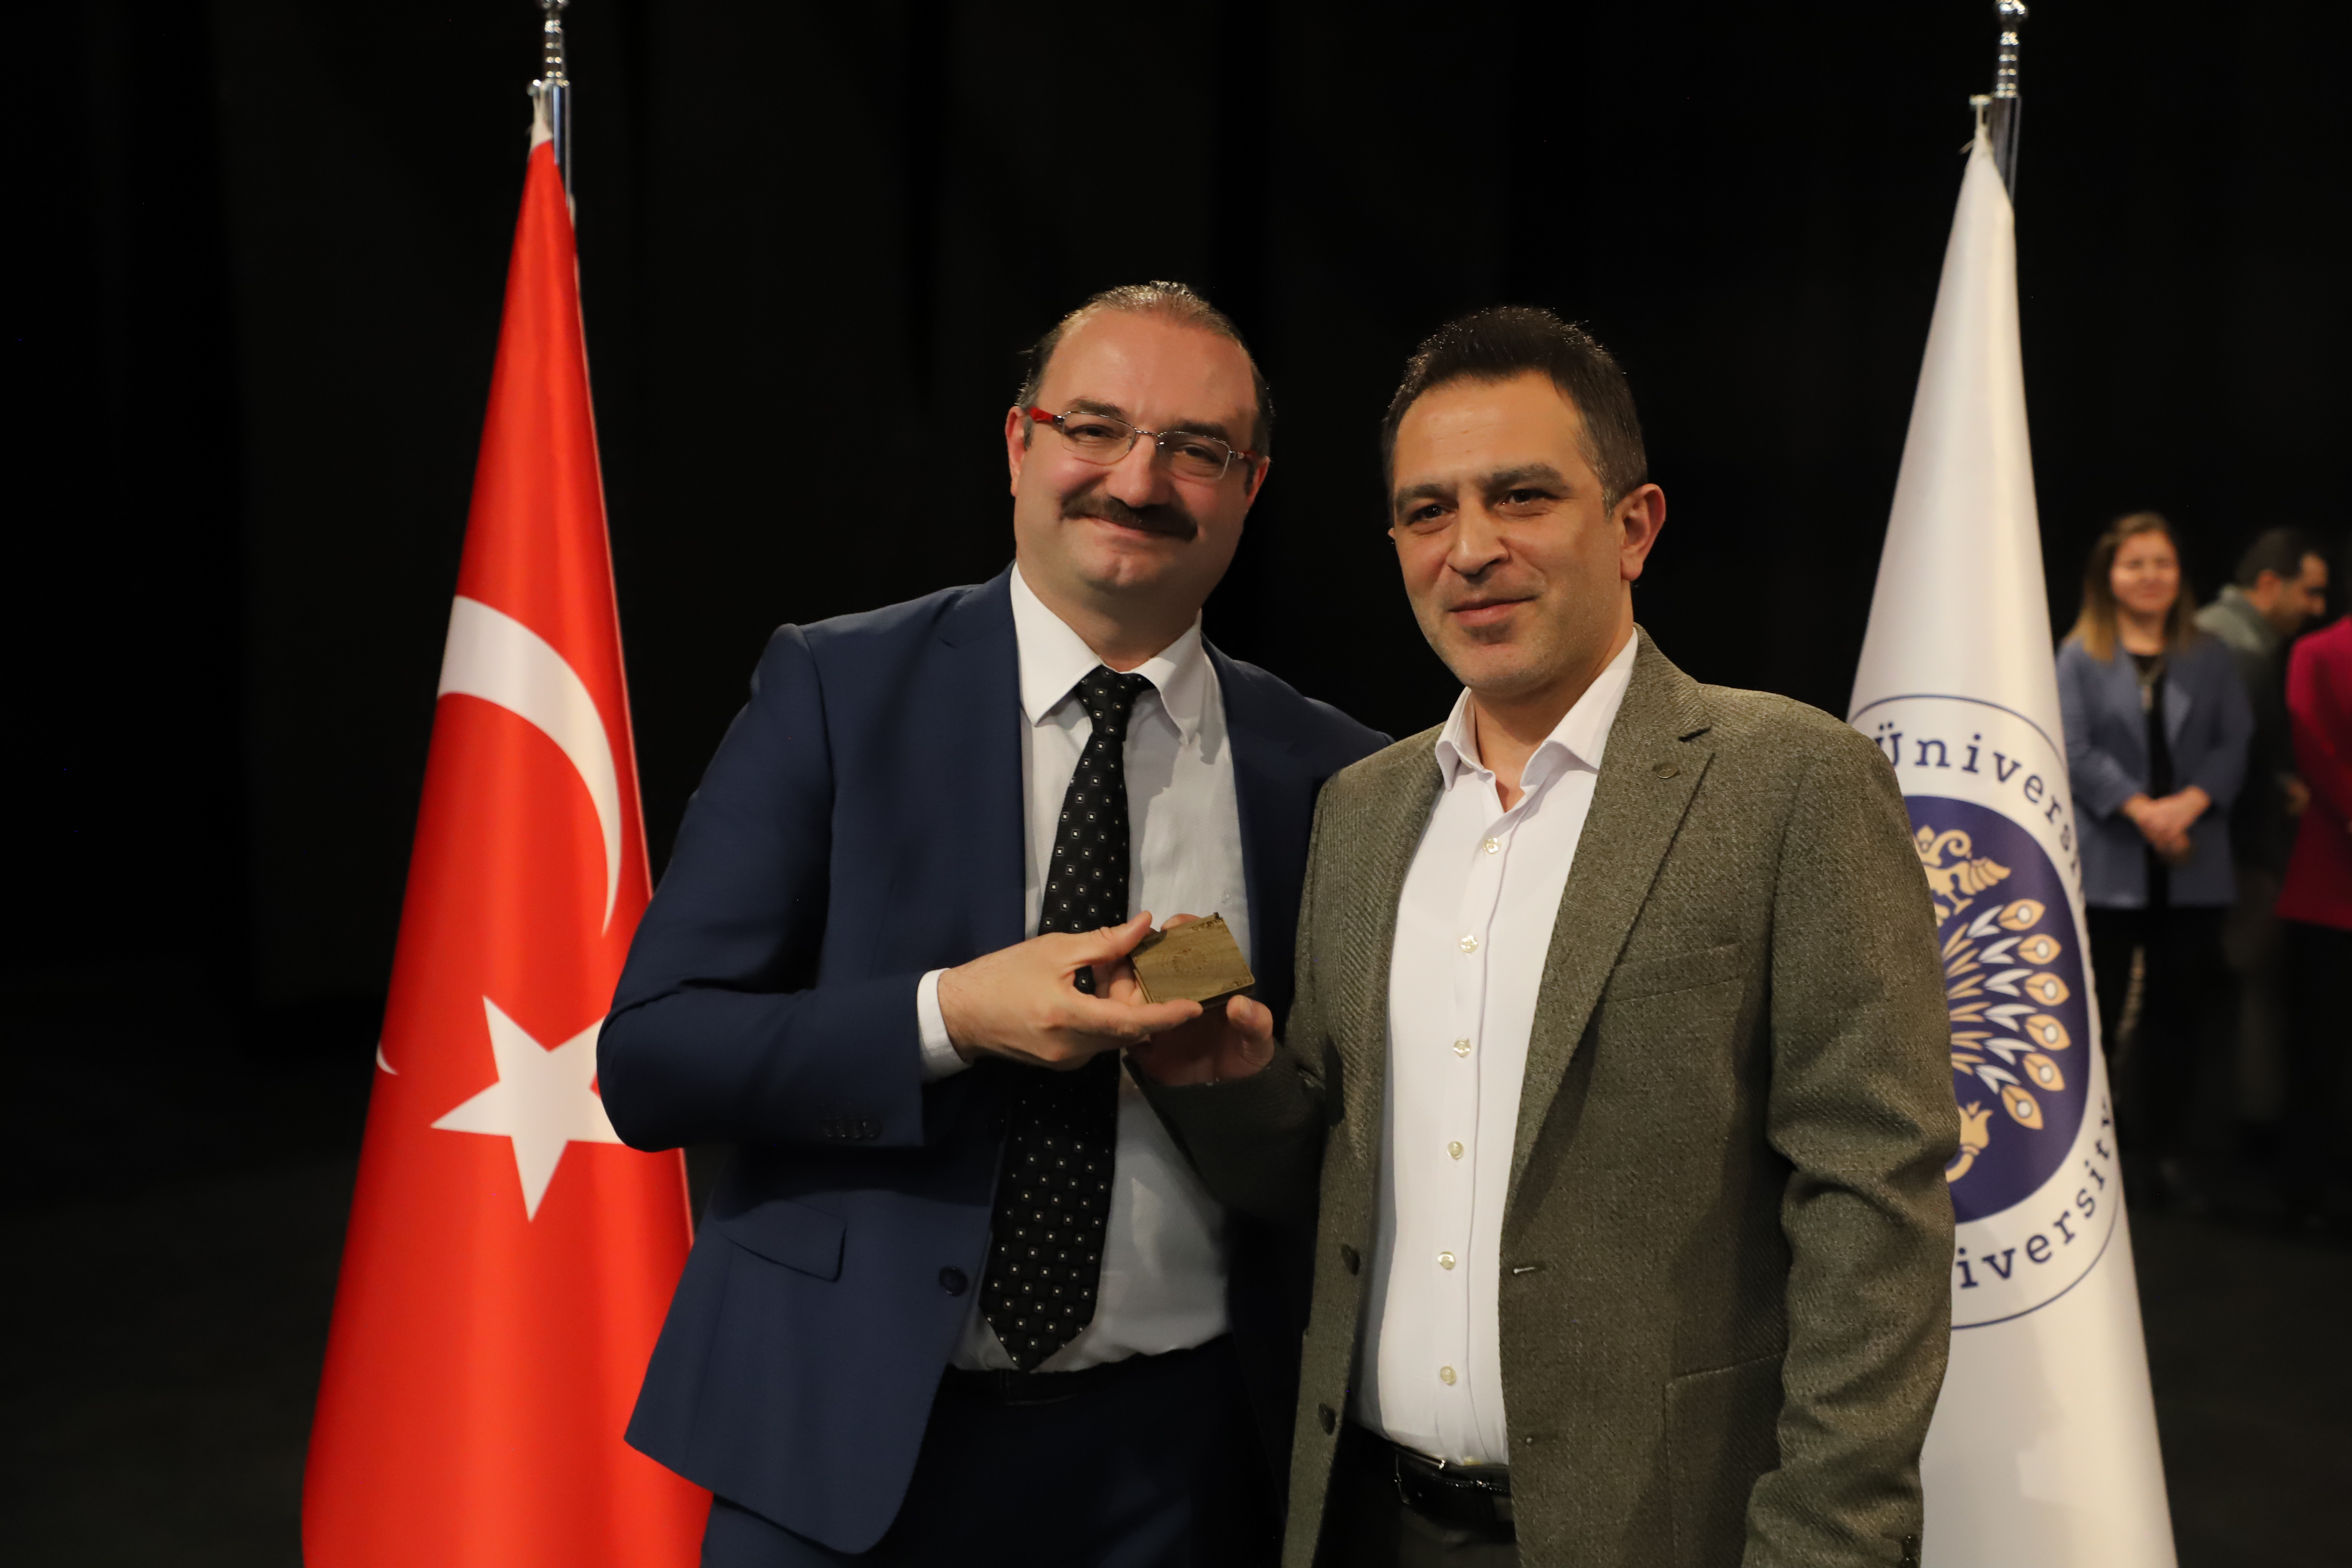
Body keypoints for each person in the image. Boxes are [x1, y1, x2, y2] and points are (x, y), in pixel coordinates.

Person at [1128, 307, 1957, 1568]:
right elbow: (1334, 1180)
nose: (1471, 549)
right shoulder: (1362, 811)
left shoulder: (1794, 781)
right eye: (1427, 511)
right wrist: (1234, 1087)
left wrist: (1830, 1545)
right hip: (1370, 1528)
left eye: (1520, 496)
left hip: (1668, 1537)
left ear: (1635, 526)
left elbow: (1874, 1209)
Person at [596, 281, 1385, 1566]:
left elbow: (1344, 1155)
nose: (1139, 481)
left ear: (1251, 489)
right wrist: (949, 1017)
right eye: (1096, 428)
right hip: (840, 1455)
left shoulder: (1335, 774)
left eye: (1197, 449)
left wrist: (1243, 1093)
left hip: (1181, 1476)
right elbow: (652, 1058)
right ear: (1019, 443)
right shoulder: (837, 689)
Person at [2056, 513, 2253, 1204]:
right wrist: (2144, 812)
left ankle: (2165, 1151)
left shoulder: (2212, 654)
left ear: (2180, 574)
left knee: (2178, 1016)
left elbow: (2235, 743)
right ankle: (2095, 1152)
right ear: (2108, 576)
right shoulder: (2079, 654)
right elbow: (2073, 748)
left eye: (2162, 563)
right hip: (2109, 863)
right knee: (2098, 1014)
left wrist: (2185, 807)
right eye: (2134, 564)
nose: (2150, 576)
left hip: (2193, 861)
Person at [2194, 528, 2330, 1148]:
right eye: (2310, 592)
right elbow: (2228, 763)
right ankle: (2235, 1136)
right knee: (2236, 996)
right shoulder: (2235, 648)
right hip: (2226, 858)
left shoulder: (2220, 635)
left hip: (2211, 855)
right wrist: (2281, 794)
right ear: (2271, 584)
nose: (2317, 608)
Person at [2276, 533, 2352, 1227]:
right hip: (2331, 886)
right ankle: (2305, 1192)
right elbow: (2313, 745)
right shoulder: (2318, 651)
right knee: (2320, 1051)